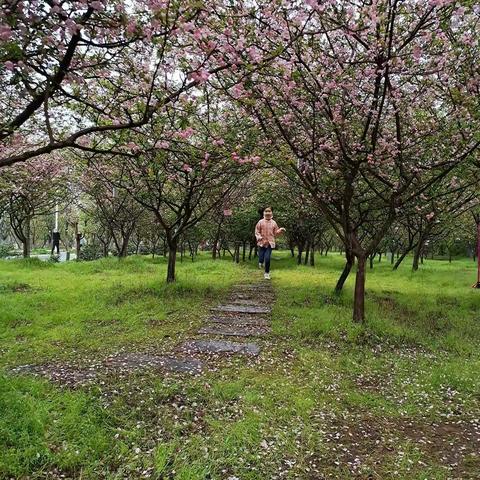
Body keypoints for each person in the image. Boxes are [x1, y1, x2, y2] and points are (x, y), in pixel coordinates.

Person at [255, 207, 285, 279]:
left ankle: (267, 273)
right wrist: (259, 237)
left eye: (269, 211)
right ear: (264, 213)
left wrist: (280, 230)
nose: (268, 213)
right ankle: (261, 262)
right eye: (266, 211)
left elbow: (276, 232)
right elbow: (257, 231)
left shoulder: (274, 222)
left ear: (271, 213)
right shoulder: (260, 222)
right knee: (261, 258)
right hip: (261, 243)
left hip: (269, 243)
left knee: (267, 258)